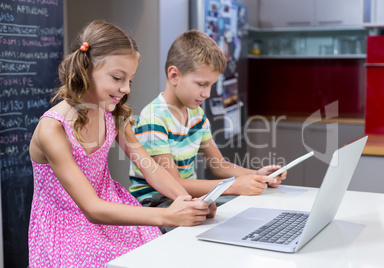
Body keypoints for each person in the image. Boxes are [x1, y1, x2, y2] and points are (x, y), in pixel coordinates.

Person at [28, 20, 214, 267]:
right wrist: (168, 215)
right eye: (117, 78)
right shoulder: (53, 129)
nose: (125, 89)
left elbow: (150, 168)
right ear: (85, 69)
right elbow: (92, 209)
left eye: (130, 80)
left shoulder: (113, 114)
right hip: (69, 225)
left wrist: (188, 200)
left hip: (113, 210)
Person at [129, 29, 286, 212]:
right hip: (156, 204)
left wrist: (257, 175)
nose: (207, 93)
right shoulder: (154, 118)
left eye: (211, 85)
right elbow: (173, 184)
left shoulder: (197, 115)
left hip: (185, 198)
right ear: (174, 76)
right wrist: (233, 186)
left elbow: (219, 166)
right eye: (202, 84)